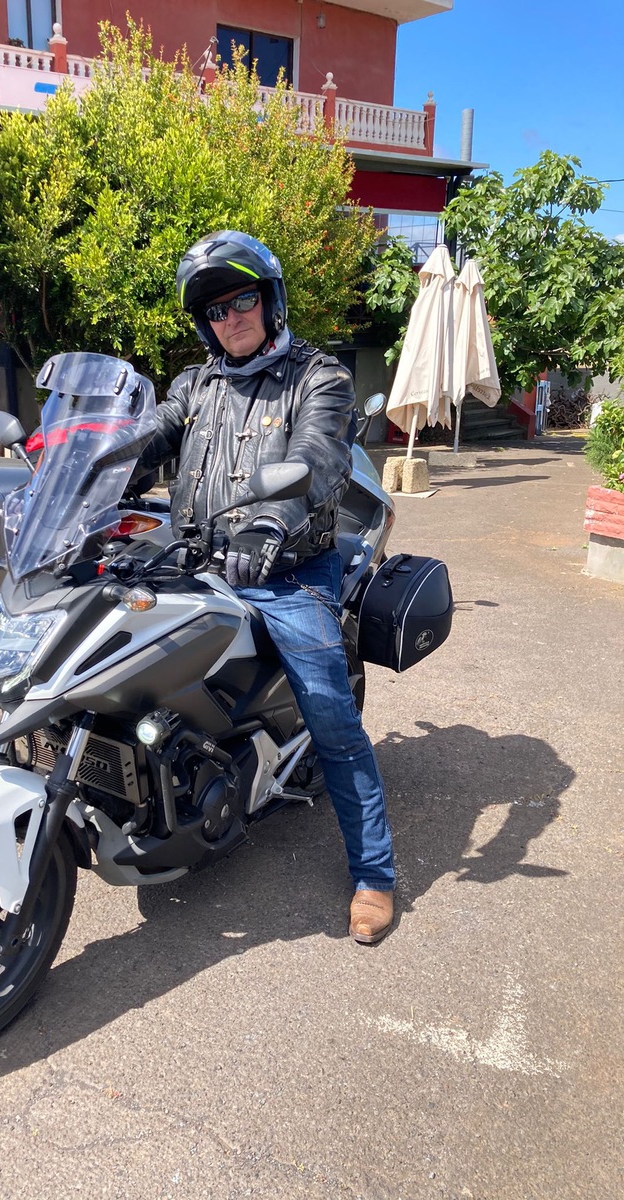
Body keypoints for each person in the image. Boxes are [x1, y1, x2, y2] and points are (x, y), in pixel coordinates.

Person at [138, 230, 395, 943]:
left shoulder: (319, 378)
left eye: (242, 299)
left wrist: (271, 523)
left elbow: (318, 454)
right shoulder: (196, 384)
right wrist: (97, 455)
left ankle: (375, 872)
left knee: (333, 723)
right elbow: (154, 432)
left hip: (286, 568)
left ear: (270, 299)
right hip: (198, 560)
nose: (231, 318)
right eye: (215, 310)